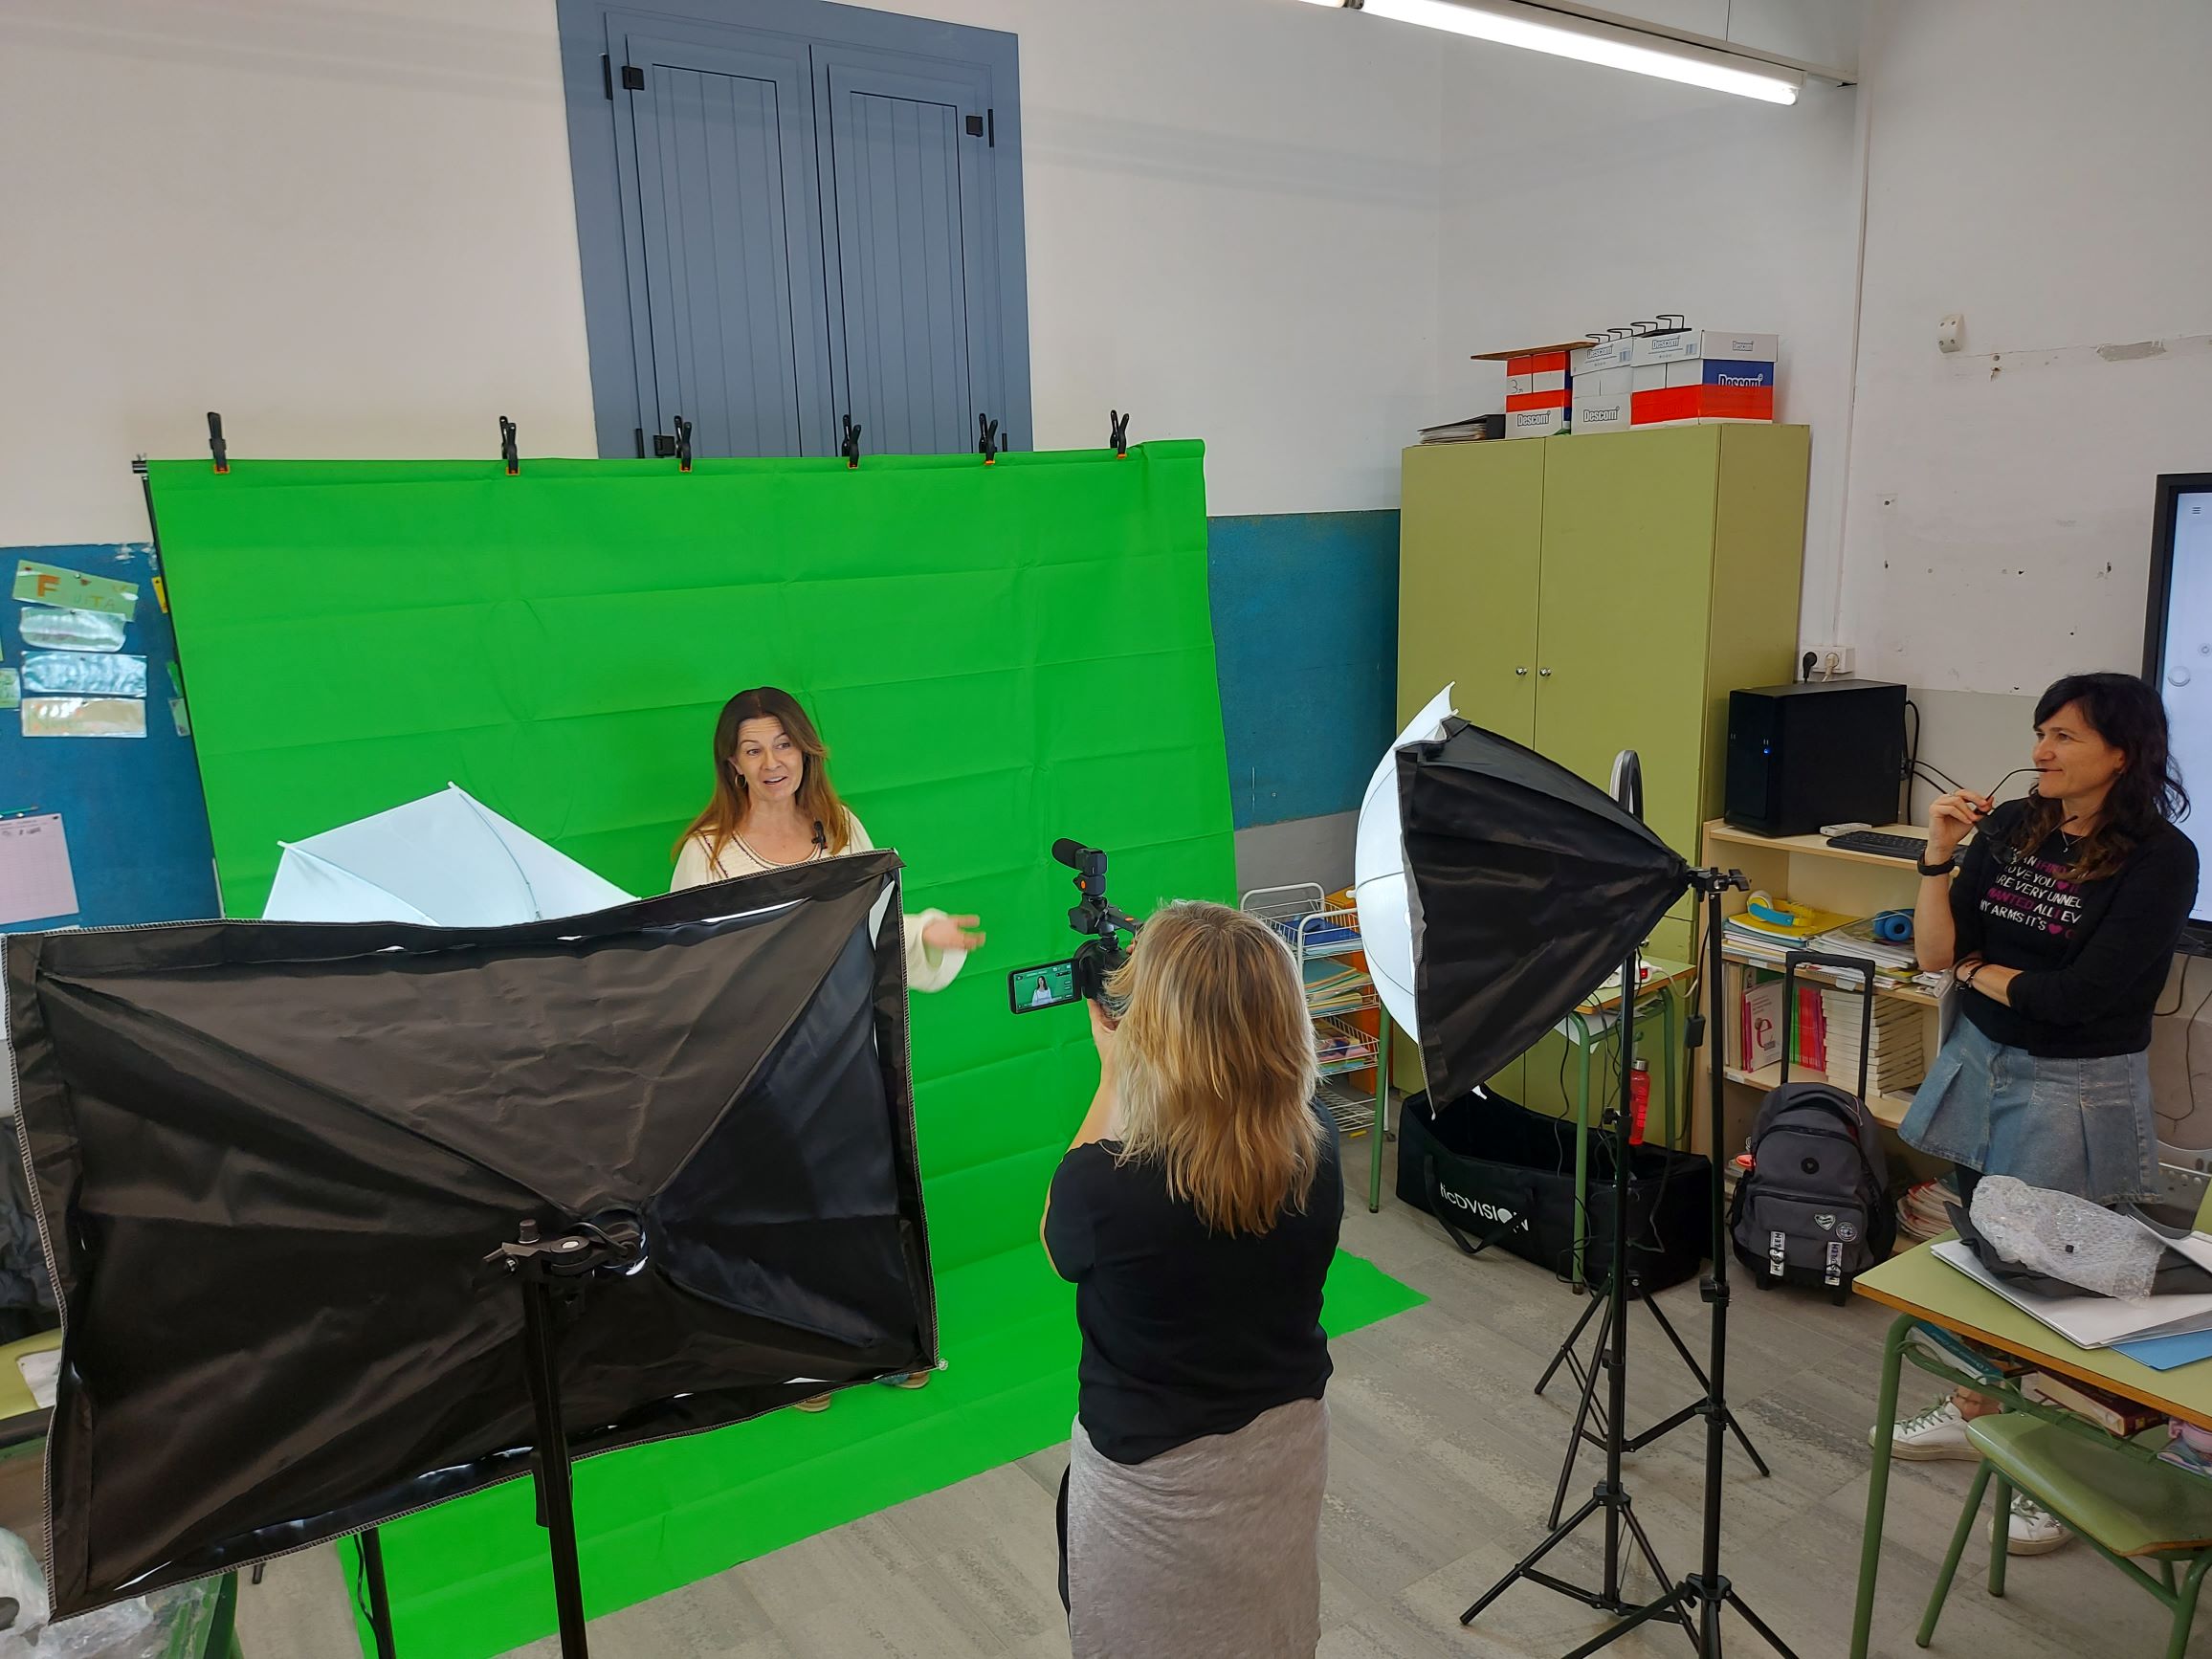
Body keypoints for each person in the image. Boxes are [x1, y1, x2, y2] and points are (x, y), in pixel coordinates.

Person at [1878, 672, 2197, 1553]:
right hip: (1979, 1059)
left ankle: (2060, 1463)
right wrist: (1938, 854)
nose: (2039, 751)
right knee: (1989, 1249)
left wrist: (1979, 971)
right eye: (2040, 731)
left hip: (2072, 1085)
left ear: (2122, 753)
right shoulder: (2018, 825)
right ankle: (1977, 1409)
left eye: (2063, 736)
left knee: (2057, 1282)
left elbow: (2079, 998)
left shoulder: (2162, 857)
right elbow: (1937, 952)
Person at [673, 685, 985, 1409]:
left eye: (783, 744)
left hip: (845, 1049)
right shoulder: (706, 853)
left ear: (805, 749)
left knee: (862, 1197)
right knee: (785, 1205)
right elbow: (688, 962)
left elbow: (875, 926)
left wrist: (927, 931)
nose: (772, 762)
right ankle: (806, 1359)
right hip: (762, 1064)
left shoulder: (841, 829)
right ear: (732, 763)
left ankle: (882, 1343)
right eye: (754, 749)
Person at [1042, 902, 1340, 1659]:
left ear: (1156, 1032)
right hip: (1285, 1453)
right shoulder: (1320, 1151)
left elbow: (1057, 1244)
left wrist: (1111, 1080)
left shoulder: (1102, 1188)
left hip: (1151, 1485)